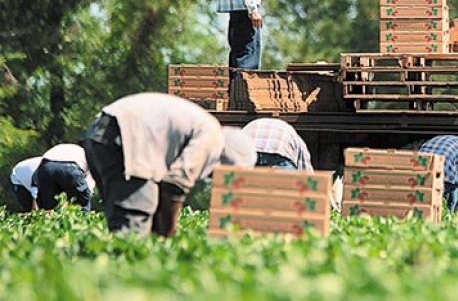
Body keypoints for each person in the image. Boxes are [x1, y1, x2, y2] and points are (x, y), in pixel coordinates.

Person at [83, 93, 257, 237]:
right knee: (135, 220)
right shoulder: (213, 136)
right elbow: (175, 185)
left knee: (121, 215)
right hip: (124, 134)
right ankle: (129, 272)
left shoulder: (200, 124)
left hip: (99, 132)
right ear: (228, 160)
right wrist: (168, 234)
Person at [33, 143, 95, 212]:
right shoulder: (90, 157)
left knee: (48, 206)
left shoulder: (76, 150)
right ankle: (83, 220)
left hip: (46, 166)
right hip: (70, 168)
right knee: (84, 200)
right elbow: (89, 187)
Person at [241, 117, 312, 170]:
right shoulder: (296, 138)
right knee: (286, 187)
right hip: (279, 149)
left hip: (249, 147)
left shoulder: (250, 126)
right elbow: (305, 171)